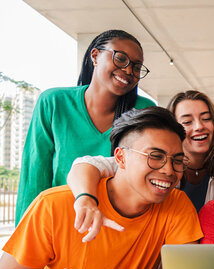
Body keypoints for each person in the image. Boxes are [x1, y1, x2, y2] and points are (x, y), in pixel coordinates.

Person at [0, 106, 202, 269]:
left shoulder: (177, 204)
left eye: (178, 160)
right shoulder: (53, 205)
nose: (169, 170)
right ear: (120, 158)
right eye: (155, 156)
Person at [15, 29, 154, 223]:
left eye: (137, 67)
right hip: (58, 222)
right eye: (121, 59)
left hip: (118, 225)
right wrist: (23, 233)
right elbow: (35, 174)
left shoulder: (144, 110)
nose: (129, 70)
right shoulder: (54, 102)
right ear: (95, 56)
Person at [67, 90, 214, 241]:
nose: (199, 127)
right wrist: (85, 199)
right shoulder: (140, 162)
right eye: (187, 121)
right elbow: (85, 164)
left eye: (206, 118)